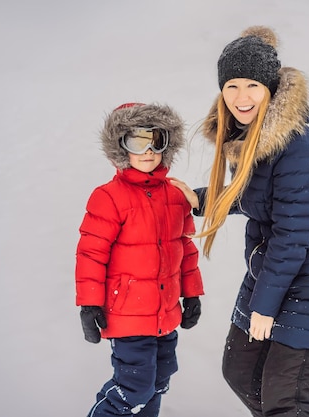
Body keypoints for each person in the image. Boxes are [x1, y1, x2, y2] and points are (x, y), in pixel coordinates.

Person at [191, 26, 309, 417]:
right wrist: (198, 198)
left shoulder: (297, 150)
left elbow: (291, 237)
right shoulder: (251, 138)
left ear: (270, 88)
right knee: (241, 371)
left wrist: (264, 307)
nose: (241, 97)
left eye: (251, 86)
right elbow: (254, 197)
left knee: (287, 399)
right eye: (231, 86)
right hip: (272, 273)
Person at [75, 102, 204, 417]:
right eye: (137, 142)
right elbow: (91, 253)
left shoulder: (175, 196)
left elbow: (185, 249)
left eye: (156, 141)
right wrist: (89, 304)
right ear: (120, 147)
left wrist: (192, 295)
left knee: (159, 381)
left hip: (165, 313)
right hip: (127, 315)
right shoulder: (108, 197)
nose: (148, 151)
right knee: (134, 388)